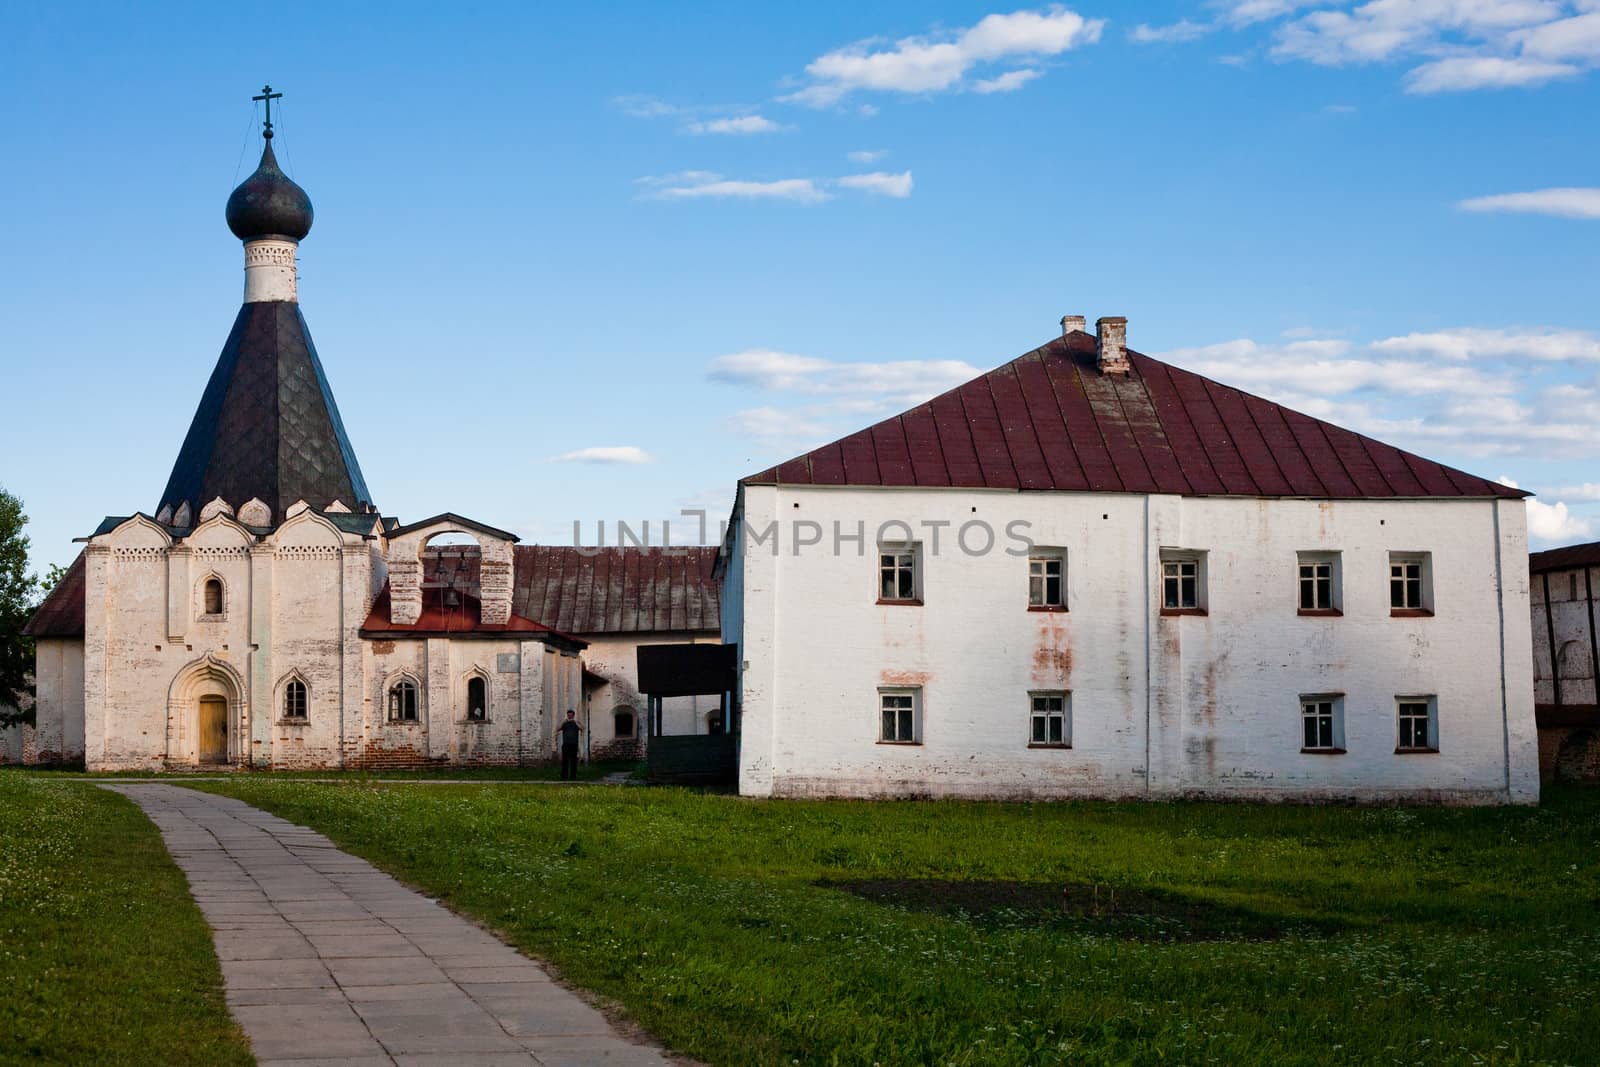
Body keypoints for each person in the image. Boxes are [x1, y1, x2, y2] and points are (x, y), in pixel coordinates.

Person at [558, 709, 583, 781]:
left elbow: (582, 728)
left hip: (574, 745)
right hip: (565, 744)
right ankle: (564, 776)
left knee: (573, 761)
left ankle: (573, 777)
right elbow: (557, 729)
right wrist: (563, 722)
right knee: (564, 761)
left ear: (573, 715)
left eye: (570, 715)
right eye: (568, 715)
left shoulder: (576, 722)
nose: (569, 716)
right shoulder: (565, 723)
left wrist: (575, 722)